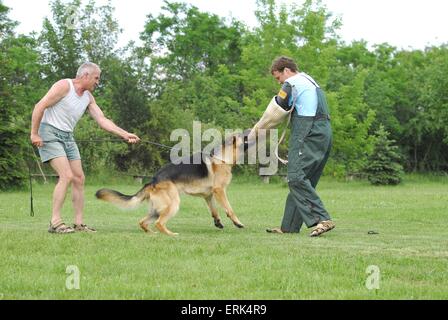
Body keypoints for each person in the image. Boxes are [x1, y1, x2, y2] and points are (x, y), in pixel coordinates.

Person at [30, 62, 140, 234]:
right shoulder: (64, 86)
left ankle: (79, 224)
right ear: (85, 75)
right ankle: (55, 222)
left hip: (67, 136)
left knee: (79, 178)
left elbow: (102, 120)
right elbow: (40, 106)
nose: (98, 82)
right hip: (49, 132)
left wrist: (124, 134)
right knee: (66, 175)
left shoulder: (88, 97)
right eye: (96, 78)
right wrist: (34, 134)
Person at [265, 56, 335, 237]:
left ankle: (322, 219)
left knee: (295, 177)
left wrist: (259, 129)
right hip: (323, 133)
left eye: (278, 77)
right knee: (305, 179)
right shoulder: (309, 80)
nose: (279, 82)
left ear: (286, 70)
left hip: (308, 132)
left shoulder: (292, 83)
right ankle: (289, 226)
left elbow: (278, 106)